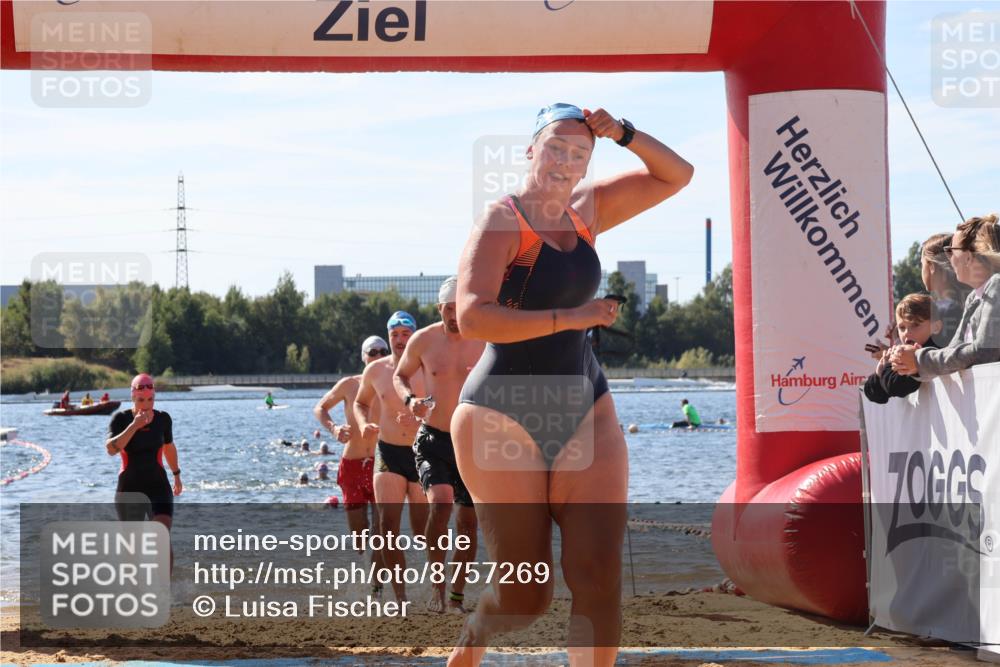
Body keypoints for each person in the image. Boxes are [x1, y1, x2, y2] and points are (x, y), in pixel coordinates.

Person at [450, 103, 693, 667]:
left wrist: (625, 133)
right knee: (525, 598)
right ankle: (476, 633)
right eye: (555, 147)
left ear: (587, 164)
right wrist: (572, 319)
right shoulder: (502, 220)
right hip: (500, 412)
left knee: (599, 573)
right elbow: (473, 316)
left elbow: (676, 175)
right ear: (530, 151)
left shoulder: (587, 209)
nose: (565, 161)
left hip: (586, 404)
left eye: (578, 153)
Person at [393, 276, 485, 613]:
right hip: (433, 437)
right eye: (447, 309)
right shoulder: (423, 340)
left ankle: (457, 595)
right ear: (439, 309)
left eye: (458, 308)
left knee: (467, 525)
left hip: (472, 441)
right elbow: (399, 376)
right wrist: (409, 400)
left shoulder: (485, 339)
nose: (453, 315)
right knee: (441, 504)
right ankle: (437, 586)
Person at [354, 312, 429, 603]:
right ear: (388, 337)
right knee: (387, 528)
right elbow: (361, 402)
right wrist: (363, 424)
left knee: (423, 532)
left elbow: (444, 403)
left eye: (405, 334)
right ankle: (400, 598)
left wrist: (421, 421)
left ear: (414, 335)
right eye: (394, 334)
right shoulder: (376, 371)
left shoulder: (427, 367)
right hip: (387, 453)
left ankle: (436, 587)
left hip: (421, 453)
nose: (399, 340)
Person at [314, 335, 390, 593]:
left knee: (382, 531)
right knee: (360, 537)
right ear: (363, 356)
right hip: (353, 465)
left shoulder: (396, 384)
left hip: (383, 464)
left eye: (383, 351)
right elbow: (320, 408)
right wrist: (334, 429)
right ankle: (358, 577)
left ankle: (376, 587)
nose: (378, 356)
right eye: (373, 352)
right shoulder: (349, 385)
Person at [892, 214, 1000, 378]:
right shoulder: (973, 297)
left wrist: (919, 359)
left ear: (968, 257)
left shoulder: (997, 285)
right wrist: (912, 359)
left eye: (951, 251)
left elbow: (984, 352)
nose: (948, 259)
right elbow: (953, 351)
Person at [105, 374, 182, 568]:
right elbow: (111, 450)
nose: (146, 404)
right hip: (129, 488)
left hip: (158, 487)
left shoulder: (163, 419)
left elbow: (169, 447)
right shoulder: (121, 419)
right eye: (141, 400)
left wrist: (176, 474)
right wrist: (134, 426)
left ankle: (165, 593)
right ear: (132, 397)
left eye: (150, 399)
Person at [863, 294, 942, 404]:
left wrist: (886, 368)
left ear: (936, 327)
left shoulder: (933, 351)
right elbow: (876, 395)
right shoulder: (904, 350)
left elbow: (895, 387)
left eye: (915, 325)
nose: (907, 333)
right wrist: (878, 374)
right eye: (902, 327)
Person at [920, 232, 972, 344]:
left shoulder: (939, 311)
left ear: (931, 267)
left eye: (922, 265)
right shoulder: (974, 301)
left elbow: (935, 356)